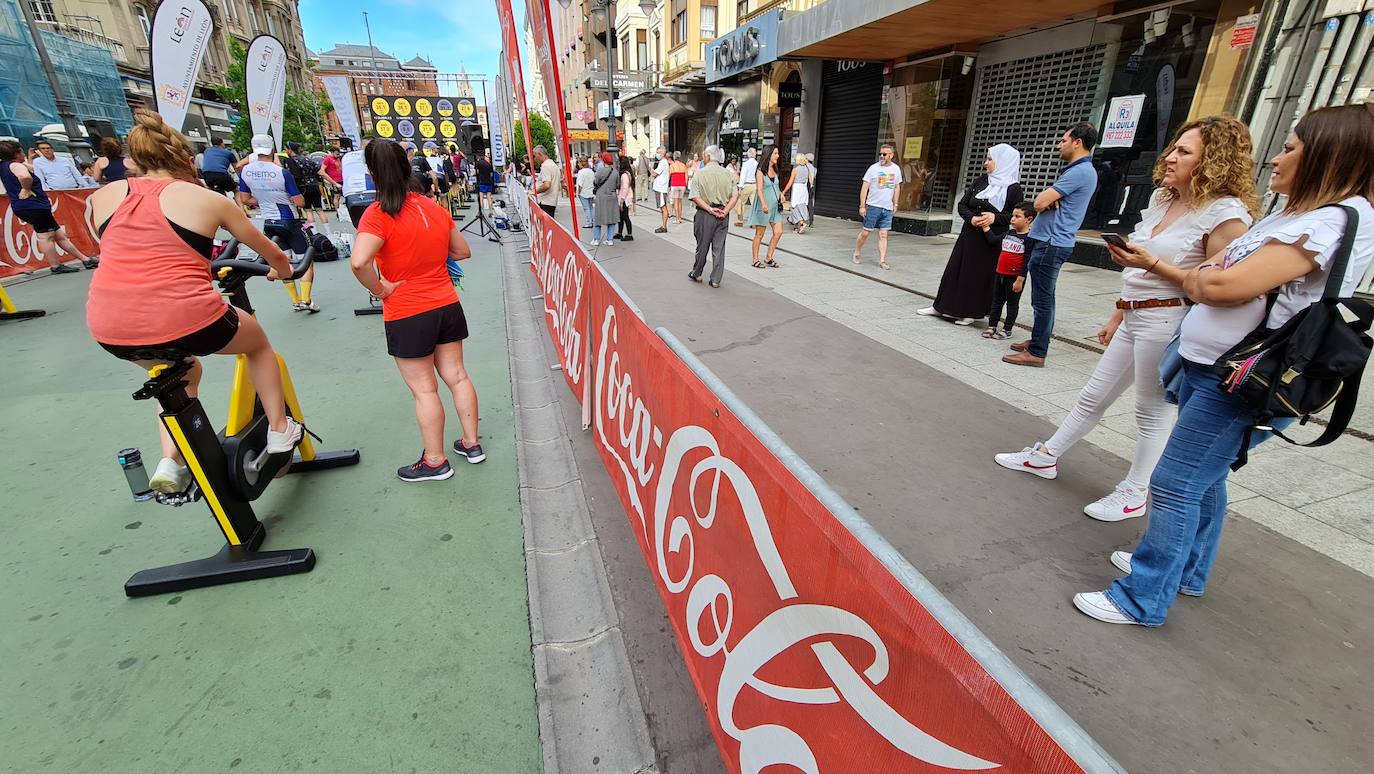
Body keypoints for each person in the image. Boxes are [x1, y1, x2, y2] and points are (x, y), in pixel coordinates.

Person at [1072, 104, 1374, 627]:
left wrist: (1194, 276)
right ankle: (1183, 571)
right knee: (1204, 479)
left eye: (1291, 147)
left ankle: (1142, 596)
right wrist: (1201, 277)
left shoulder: (1334, 221)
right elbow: (1211, 272)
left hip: (1242, 379)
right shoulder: (1293, 214)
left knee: (1174, 481)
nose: (1276, 158)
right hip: (1214, 366)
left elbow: (1222, 283)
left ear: (1329, 156)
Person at [994, 115, 1257, 523]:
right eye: (1173, 148)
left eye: (1184, 152)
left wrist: (1152, 264)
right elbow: (1140, 270)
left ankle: (1135, 492)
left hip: (1169, 320)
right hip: (1137, 313)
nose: (1169, 158)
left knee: (1152, 412)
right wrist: (1119, 311)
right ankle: (1046, 456)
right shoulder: (1164, 199)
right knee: (1092, 396)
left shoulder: (1225, 215)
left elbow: (1216, 288)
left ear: (1214, 160)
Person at [84, 110, 304, 493]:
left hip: (110, 323)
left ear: (134, 160)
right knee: (258, 345)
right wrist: (282, 272)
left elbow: (114, 250)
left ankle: (170, 461)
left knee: (178, 374)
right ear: (186, 160)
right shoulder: (205, 198)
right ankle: (280, 430)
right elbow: (274, 254)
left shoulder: (101, 197)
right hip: (186, 314)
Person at [348, 140, 483, 481]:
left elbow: (359, 262)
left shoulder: (377, 214)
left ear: (371, 173)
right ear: (409, 167)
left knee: (425, 390)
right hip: (446, 304)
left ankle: (435, 461)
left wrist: (380, 289)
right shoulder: (432, 208)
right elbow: (462, 251)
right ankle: (471, 443)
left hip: (408, 310)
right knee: (458, 376)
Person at [1003, 122, 1100, 368]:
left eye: (1064, 140)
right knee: (1045, 299)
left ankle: (1037, 351)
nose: (1059, 145)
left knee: (1043, 300)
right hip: (1050, 241)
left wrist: (1047, 200)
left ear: (1078, 142)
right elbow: (1044, 202)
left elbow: (1038, 203)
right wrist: (1048, 201)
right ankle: (1038, 340)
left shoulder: (1080, 171)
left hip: (1051, 243)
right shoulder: (1076, 170)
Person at [920, 144, 1024, 323]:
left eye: (990, 159)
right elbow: (962, 204)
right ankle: (941, 306)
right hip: (969, 235)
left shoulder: (1013, 189)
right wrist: (971, 218)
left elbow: (1013, 217)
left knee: (978, 275)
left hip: (990, 239)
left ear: (1003, 162)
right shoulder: (981, 181)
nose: (986, 163)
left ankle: (971, 312)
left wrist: (994, 218)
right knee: (955, 270)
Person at [238, 133, 318, 313]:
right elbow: (299, 202)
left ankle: (296, 301)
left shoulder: (246, 171)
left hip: (269, 221)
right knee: (306, 259)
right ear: (272, 149)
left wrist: (263, 200)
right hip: (289, 219)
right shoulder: (281, 172)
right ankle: (306, 299)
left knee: (282, 261)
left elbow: (245, 199)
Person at [0, 141, 99, 273]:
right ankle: (55, 265)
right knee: (46, 236)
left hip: (26, 206)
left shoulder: (4, 166)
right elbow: (24, 176)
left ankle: (85, 259)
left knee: (58, 234)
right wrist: (26, 189)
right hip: (33, 205)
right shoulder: (15, 165)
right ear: (16, 153)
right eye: (21, 151)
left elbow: (28, 170)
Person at [688, 145, 740, 288]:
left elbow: (695, 196)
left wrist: (710, 209)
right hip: (723, 214)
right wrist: (726, 210)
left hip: (705, 214)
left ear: (708, 157)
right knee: (719, 247)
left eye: (704, 155)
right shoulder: (729, 174)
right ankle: (716, 279)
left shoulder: (700, 173)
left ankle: (697, 273)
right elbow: (735, 195)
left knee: (702, 245)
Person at [982, 205, 1034, 340]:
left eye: (1017, 217)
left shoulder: (1029, 238)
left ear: (1028, 219)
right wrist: (985, 227)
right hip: (1000, 273)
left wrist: (1020, 279)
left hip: (1014, 277)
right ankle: (992, 325)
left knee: (1012, 303)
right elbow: (993, 240)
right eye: (1013, 216)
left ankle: (1007, 329)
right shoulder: (1009, 233)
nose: (1013, 219)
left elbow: (1027, 261)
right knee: (997, 301)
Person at [852, 144, 903, 269]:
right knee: (866, 233)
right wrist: (862, 206)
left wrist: (895, 203)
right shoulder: (873, 168)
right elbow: (865, 187)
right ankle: (857, 251)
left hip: (887, 208)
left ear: (891, 155)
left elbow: (897, 187)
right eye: (880, 154)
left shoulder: (896, 169)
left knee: (884, 234)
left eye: (884, 154)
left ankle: (882, 260)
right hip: (873, 206)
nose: (881, 156)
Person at [745, 144, 785, 269]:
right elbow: (760, 190)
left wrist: (781, 195)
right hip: (764, 206)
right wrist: (763, 204)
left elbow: (776, 187)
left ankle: (768, 257)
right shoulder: (760, 171)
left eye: (778, 153)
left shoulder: (775, 170)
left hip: (775, 206)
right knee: (759, 234)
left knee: (778, 232)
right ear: (769, 154)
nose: (778, 156)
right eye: (775, 153)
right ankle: (755, 259)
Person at [284, 142, 329, 231]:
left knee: (308, 211)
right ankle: (329, 232)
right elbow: (319, 171)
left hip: (303, 187)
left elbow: (294, 176)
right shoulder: (308, 159)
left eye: (286, 149)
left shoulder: (291, 161)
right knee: (319, 210)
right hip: (314, 185)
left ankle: (314, 233)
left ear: (290, 149)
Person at [339, 138, 376, 228]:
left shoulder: (346, 156)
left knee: (360, 227)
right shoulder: (372, 154)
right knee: (377, 225)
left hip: (349, 193)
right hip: (370, 191)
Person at [589, 152, 619, 246]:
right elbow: (618, 185)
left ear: (603, 160)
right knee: (611, 218)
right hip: (612, 196)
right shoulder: (615, 171)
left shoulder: (600, 170)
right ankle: (609, 239)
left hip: (601, 196)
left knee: (598, 217)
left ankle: (596, 239)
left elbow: (596, 182)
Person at [784, 152, 812, 234]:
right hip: (804, 189)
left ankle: (802, 223)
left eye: (796, 159)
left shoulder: (795, 170)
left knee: (794, 207)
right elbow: (810, 181)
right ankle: (797, 228)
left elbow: (790, 182)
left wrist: (784, 191)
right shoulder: (807, 169)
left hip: (797, 189)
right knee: (802, 207)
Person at [533, 145, 560, 217]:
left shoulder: (546, 166)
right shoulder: (553, 165)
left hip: (545, 202)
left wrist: (534, 192)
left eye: (535, 156)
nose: (535, 159)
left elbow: (546, 185)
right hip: (551, 201)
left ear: (540, 154)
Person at [734, 147, 758, 227]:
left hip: (746, 185)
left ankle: (739, 220)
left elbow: (743, 176)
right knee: (753, 204)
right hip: (754, 185)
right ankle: (753, 222)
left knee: (741, 202)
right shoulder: (757, 164)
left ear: (748, 154)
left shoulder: (746, 164)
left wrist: (740, 187)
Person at [615, 155, 635, 242]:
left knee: (625, 216)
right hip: (626, 196)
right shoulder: (628, 173)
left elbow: (625, 188)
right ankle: (619, 233)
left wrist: (622, 200)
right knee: (621, 216)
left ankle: (629, 234)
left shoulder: (624, 175)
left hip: (625, 198)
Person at [652, 145, 671, 233]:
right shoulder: (662, 162)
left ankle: (664, 226)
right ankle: (663, 225)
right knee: (662, 207)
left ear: (663, 153)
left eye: (658, 152)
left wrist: (651, 169)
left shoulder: (663, 162)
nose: (657, 154)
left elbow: (654, 173)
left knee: (663, 207)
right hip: (659, 187)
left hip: (661, 188)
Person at [575, 157, 595, 230]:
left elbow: (580, 184)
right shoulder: (591, 171)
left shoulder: (581, 172)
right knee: (591, 207)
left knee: (586, 208)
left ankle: (589, 222)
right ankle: (593, 221)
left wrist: (578, 193)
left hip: (583, 192)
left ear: (581, 163)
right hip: (591, 191)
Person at [669, 151, 688, 224]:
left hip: (675, 184)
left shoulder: (672, 165)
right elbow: (686, 176)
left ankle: (677, 219)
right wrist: (685, 184)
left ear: (674, 157)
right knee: (680, 202)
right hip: (682, 185)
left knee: (675, 202)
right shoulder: (683, 165)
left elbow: (669, 175)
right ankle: (680, 218)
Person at [806, 153, 817, 228]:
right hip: (811, 187)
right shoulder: (815, 169)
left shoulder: (805, 167)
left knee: (802, 203)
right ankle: (811, 221)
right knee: (810, 204)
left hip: (805, 186)